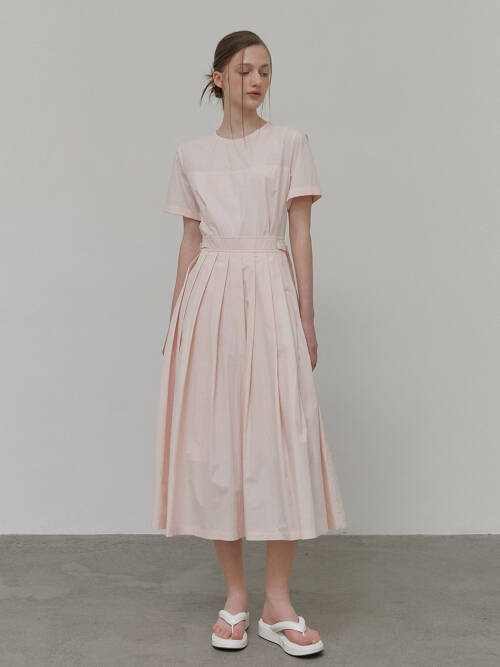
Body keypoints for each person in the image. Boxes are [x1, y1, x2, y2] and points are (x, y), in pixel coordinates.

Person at [152, 30, 347, 657]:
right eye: (243, 71)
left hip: (270, 292)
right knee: (220, 444)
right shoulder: (190, 154)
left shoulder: (290, 143)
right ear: (218, 78)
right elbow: (189, 241)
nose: (257, 80)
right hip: (209, 299)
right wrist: (176, 322)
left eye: (265, 70)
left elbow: (301, 235)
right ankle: (236, 597)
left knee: (279, 439)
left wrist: (307, 317)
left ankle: (277, 604)